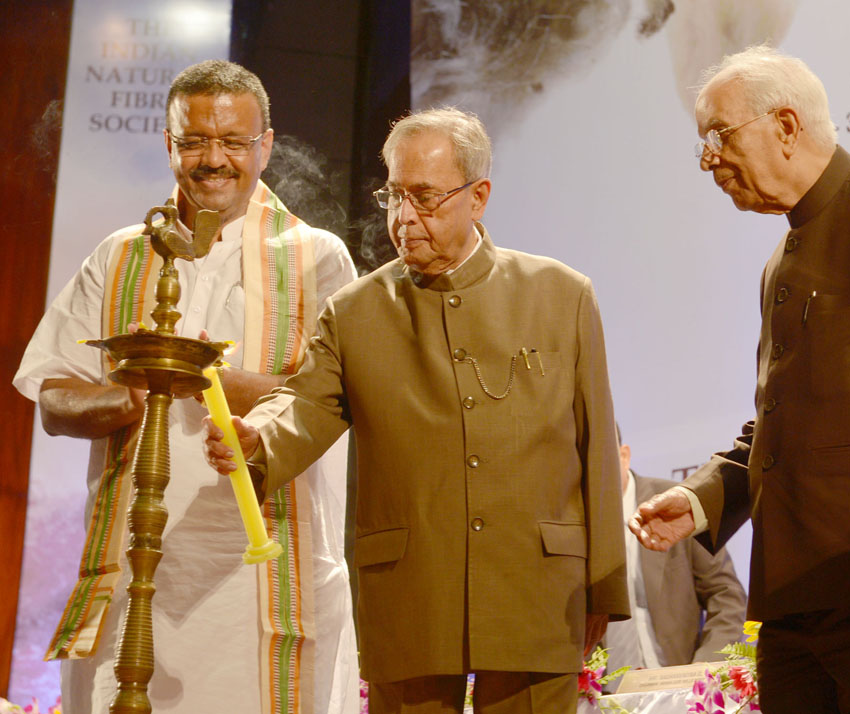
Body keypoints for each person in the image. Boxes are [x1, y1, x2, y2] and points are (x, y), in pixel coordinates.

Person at [203, 107, 630, 714]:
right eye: (394, 197)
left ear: (478, 196)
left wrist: (605, 587)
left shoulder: (561, 295)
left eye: (425, 198)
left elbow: (596, 452)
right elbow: (301, 402)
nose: (404, 219)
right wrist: (257, 442)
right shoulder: (355, 313)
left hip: (538, 590)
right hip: (409, 591)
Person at [628, 45, 850, 714]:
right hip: (794, 608)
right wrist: (706, 496)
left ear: (786, 125)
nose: (708, 159)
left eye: (718, 135)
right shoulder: (779, 260)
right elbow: (786, 423)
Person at [14, 60, 359, 714]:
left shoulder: (318, 256)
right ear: (169, 144)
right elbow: (52, 395)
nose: (213, 159)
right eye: (194, 140)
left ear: (267, 145)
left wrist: (207, 380)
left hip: (265, 574)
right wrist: (130, 398)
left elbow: (342, 396)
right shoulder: (120, 255)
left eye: (233, 142)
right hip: (134, 568)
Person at [604, 425, 745, 690]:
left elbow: (726, 594)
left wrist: (705, 670)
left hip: (683, 692)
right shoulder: (576, 526)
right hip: (602, 698)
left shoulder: (674, 506)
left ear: (624, 455)